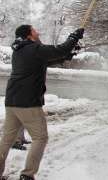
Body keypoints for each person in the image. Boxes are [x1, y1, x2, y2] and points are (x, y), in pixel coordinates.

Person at [0, 25, 84, 180]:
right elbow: (59, 49)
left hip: (12, 100)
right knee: (40, 137)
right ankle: (27, 174)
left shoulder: (19, 50)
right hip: (28, 102)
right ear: (29, 35)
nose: (37, 32)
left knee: (7, 139)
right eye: (34, 31)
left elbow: (44, 60)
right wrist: (73, 37)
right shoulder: (34, 48)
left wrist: (66, 56)